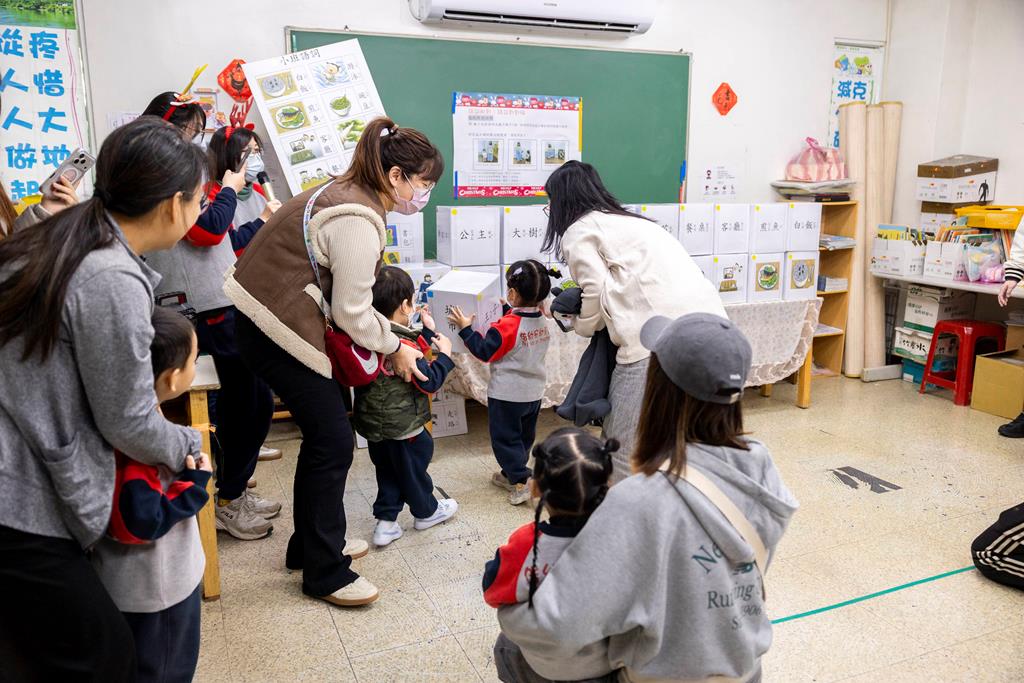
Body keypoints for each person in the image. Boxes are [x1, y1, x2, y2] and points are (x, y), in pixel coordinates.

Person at [0, 117, 206, 681]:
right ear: (173, 204)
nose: (199, 210)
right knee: (102, 659)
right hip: (20, 498)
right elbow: (129, 420)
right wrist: (189, 444)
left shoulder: (63, 233)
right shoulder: (109, 274)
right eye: (198, 199)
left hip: (20, 468)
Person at [494, 313, 798, 683]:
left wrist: (510, 616)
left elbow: (556, 626)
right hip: (744, 668)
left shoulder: (638, 500)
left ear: (657, 390)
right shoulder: (761, 467)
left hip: (665, 675)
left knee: (509, 649)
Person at [225, 116, 444, 607]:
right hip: (274, 326)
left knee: (328, 436)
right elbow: (352, 313)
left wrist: (393, 341)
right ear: (395, 176)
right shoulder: (356, 218)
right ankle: (325, 572)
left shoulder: (347, 191)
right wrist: (397, 347)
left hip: (263, 316)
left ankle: (310, 547)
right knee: (333, 441)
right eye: (424, 183)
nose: (424, 194)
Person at [541, 161, 727, 481]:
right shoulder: (635, 222)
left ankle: (624, 509)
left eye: (549, 202)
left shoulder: (579, 230)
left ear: (561, 201)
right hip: (714, 334)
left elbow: (595, 288)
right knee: (682, 439)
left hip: (655, 341)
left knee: (621, 448)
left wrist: (581, 325)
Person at [144, 119, 283, 541]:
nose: (253, 159)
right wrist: (227, 189)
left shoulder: (216, 191)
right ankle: (228, 500)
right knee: (242, 407)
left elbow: (226, 242)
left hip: (225, 304)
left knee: (255, 404)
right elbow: (208, 233)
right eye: (248, 152)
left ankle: (234, 492)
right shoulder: (178, 189)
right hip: (203, 311)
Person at [92, 307, 213, 683]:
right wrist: (194, 487)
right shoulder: (143, 446)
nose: (195, 367)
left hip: (135, 584)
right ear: (173, 377)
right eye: (194, 361)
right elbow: (139, 520)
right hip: (157, 589)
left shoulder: (120, 419)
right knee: (165, 670)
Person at [353, 266, 459, 548]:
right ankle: (427, 512)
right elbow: (429, 381)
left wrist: (427, 330)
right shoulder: (406, 346)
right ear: (404, 305)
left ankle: (386, 523)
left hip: (374, 427)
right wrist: (445, 355)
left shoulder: (367, 335)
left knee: (389, 471)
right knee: (413, 470)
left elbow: (407, 337)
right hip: (405, 426)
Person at [448, 259, 555, 505]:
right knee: (523, 437)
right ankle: (511, 474)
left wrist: (465, 329)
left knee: (505, 439)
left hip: (507, 395)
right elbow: (520, 329)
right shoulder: (541, 318)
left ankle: (522, 480)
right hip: (533, 393)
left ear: (513, 293)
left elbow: (484, 350)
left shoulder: (507, 325)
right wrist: (509, 308)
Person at [482, 428, 615, 609]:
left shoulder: (526, 543)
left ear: (535, 488)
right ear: (607, 485)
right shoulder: (617, 538)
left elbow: (493, 590)